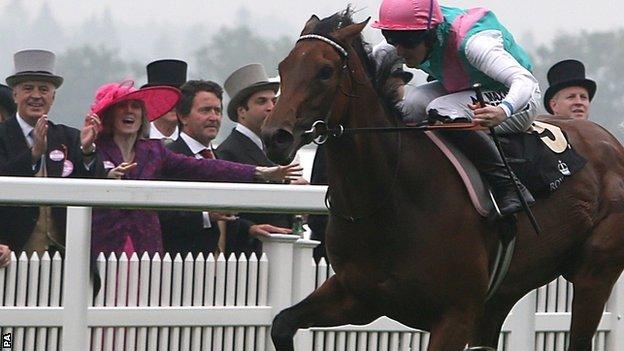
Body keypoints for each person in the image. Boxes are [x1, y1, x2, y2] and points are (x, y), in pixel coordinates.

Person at [89, 80, 301, 258]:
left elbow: (208, 167)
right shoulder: (95, 149)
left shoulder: (154, 152)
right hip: (107, 248)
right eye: (122, 107)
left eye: (135, 107)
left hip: (148, 251)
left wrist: (258, 172)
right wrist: (100, 170)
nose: (129, 112)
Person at [371, 0, 537, 216]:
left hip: (518, 99)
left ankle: (510, 186)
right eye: (391, 39)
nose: (399, 51)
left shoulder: (474, 44)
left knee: (442, 110)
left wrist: (503, 110)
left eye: (407, 42)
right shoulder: (406, 41)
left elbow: (525, 81)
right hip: (466, 89)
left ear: (429, 34)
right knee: (410, 105)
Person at [160, 80, 294, 257]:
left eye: (217, 110)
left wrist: (250, 228)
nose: (214, 117)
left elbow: (225, 217)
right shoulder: (169, 158)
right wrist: (206, 216)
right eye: (205, 110)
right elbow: (161, 216)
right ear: (183, 116)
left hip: (224, 269)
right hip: (181, 265)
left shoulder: (219, 159)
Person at [0, 49, 103, 259]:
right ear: (15, 95)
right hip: (12, 254)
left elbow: (94, 189)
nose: (36, 96)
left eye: (44, 89)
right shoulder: (2, 135)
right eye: (28, 88)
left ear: (53, 97)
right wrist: (33, 156)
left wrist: (87, 152)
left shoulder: (69, 137)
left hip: (65, 258)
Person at [218, 63, 295, 255]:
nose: (271, 107)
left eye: (274, 101)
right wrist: (250, 228)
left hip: (279, 250)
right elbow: (226, 211)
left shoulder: (275, 149)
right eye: (262, 102)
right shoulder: (228, 152)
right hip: (247, 255)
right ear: (241, 111)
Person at [144, 59, 187, 141]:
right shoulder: (135, 140)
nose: (173, 103)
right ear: (152, 100)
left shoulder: (192, 141)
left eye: (178, 96)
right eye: (166, 97)